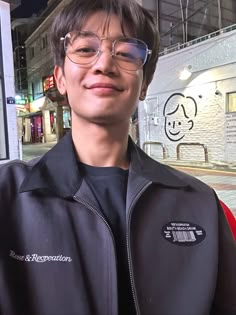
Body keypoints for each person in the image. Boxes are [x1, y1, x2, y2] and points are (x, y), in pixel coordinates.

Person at [0, 0, 236, 314]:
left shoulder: (201, 203)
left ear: (144, 84)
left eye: (126, 53)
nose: (104, 64)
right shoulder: (8, 195)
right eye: (85, 49)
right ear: (60, 78)